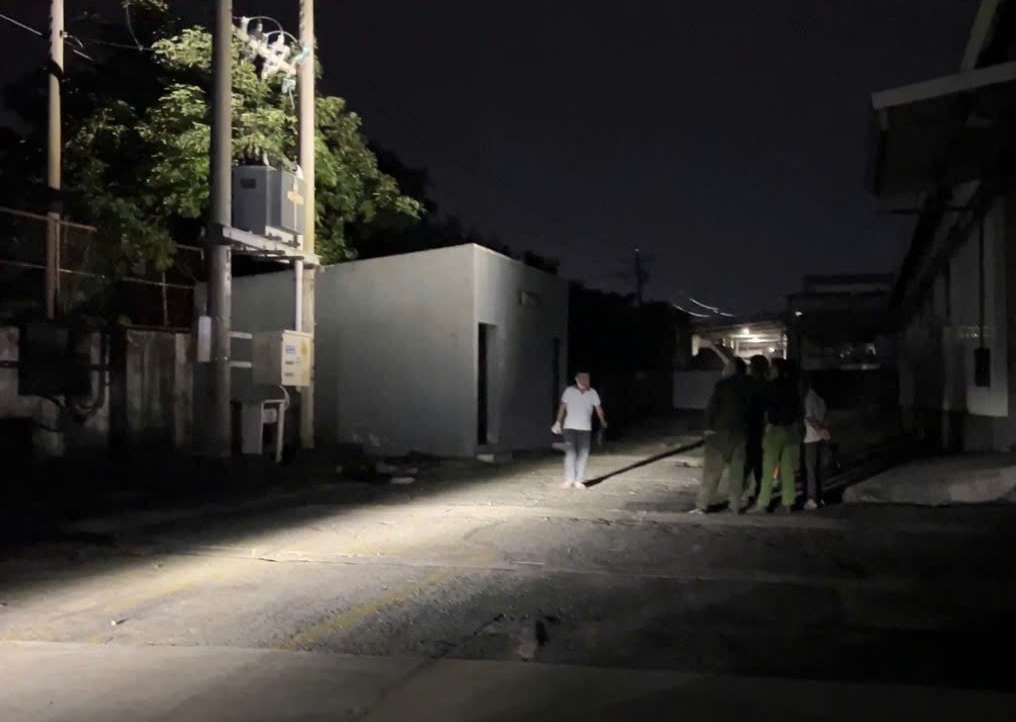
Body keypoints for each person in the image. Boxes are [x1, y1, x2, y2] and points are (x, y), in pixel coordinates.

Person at [691, 358, 750, 515]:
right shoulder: (750, 386)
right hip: (740, 433)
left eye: (727, 367)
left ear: (732, 369)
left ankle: (702, 505)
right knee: (737, 473)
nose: (724, 369)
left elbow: (712, 406)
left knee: (711, 472)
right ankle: (735, 505)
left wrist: (708, 427)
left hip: (720, 433)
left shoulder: (723, 385)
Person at [749, 358, 803, 515]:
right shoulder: (793, 386)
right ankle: (788, 503)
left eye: (772, 368)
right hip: (791, 430)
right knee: (787, 469)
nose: (770, 370)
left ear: (777, 369)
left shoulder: (771, 386)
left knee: (768, 468)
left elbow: (763, 404)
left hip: (775, 429)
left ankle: (763, 503)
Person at [552, 371, 606, 488]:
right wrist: (558, 422)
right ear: (576, 379)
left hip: (585, 428)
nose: (585, 381)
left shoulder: (592, 393)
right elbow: (562, 407)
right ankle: (569, 479)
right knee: (570, 453)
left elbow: (598, 408)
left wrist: (602, 420)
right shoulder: (569, 391)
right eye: (582, 378)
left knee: (583, 454)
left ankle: (579, 479)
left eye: (587, 378)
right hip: (569, 427)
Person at [743, 355, 770, 504]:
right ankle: (760, 493)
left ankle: (742, 494)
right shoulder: (766, 385)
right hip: (761, 428)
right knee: (759, 464)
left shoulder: (749, 384)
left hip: (751, 428)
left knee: (748, 463)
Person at [801, 374, 830, 510]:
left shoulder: (810, 398)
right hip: (820, 437)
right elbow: (825, 416)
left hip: (810, 437)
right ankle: (820, 497)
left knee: (811, 470)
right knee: (818, 469)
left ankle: (812, 499)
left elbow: (809, 417)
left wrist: (819, 430)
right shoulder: (821, 399)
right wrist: (824, 430)